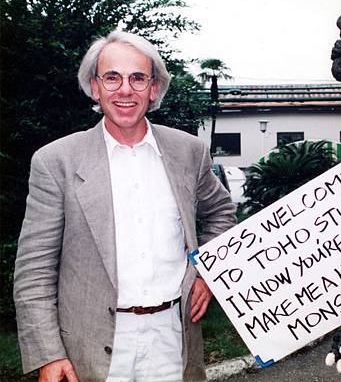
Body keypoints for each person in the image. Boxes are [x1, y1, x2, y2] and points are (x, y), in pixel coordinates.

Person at [13, 30, 237, 382]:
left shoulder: (188, 151)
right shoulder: (55, 161)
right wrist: (48, 353)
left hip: (173, 338)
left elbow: (221, 213)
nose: (125, 90)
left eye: (137, 78)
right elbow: (34, 270)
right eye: (112, 77)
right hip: (90, 349)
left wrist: (208, 271)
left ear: (153, 88)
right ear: (95, 87)